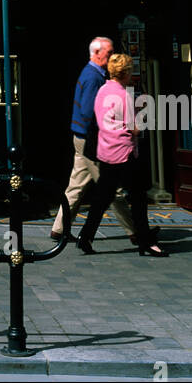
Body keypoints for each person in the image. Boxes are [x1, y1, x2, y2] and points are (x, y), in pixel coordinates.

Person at [75, 54, 166, 257]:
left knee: (102, 197)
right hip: (125, 153)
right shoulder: (124, 95)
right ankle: (146, 242)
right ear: (124, 72)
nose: (133, 74)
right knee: (139, 198)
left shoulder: (103, 91)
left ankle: (86, 236)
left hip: (106, 151)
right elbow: (134, 128)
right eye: (131, 70)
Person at [51, 36, 138, 244]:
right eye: (108, 53)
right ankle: (135, 231)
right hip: (91, 140)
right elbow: (90, 112)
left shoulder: (91, 73)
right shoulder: (94, 78)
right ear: (97, 54)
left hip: (80, 137)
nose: (111, 56)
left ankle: (59, 228)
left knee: (77, 184)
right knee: (112, 188)